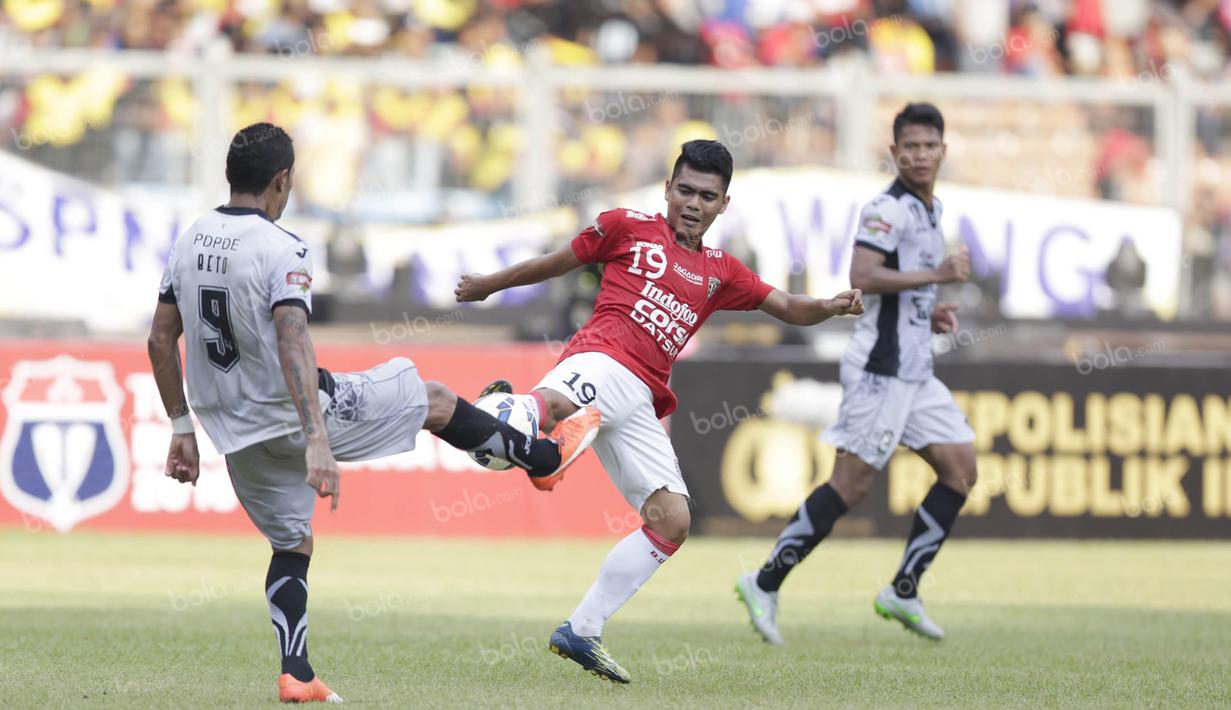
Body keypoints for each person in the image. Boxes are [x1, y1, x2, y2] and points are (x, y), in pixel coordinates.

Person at [146, 122, 598, 704]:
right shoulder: (282, 248)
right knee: (433, 398)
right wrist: (316, 441)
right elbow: (292, 344)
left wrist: (181, 428)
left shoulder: (189, 240)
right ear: (282, 181)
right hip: (296, 416)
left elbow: (161, 339)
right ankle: (542, 457)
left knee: (292, 545)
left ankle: (297, 674)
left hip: (232, 431)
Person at [455, 139, 864, 683]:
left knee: (673, 521)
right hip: (603, 357)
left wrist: (829, 307)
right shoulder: (625, 226)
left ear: (724, 205)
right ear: (667, 189)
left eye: (707, 196)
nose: (693, 204)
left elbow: (788, 307)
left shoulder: (721, 272)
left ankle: (582, 628)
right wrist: (489, 285)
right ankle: (496, 426)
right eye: (686, 191)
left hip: (643, 398)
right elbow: (556, 263)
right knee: (553, 403)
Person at [736, 102, 976, 644]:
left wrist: (929, 308)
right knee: (850, 486)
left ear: (943, 150)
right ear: (893, 153)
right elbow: (863, 274)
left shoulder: (930, 208)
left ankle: (903, 590)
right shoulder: (887, 208)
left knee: (960, 470)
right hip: (880, 370)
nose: (918, 155)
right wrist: (938, 274)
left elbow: (900, 284)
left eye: (928, 145)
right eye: (908, 146)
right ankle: (764, 581)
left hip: (916, 368)